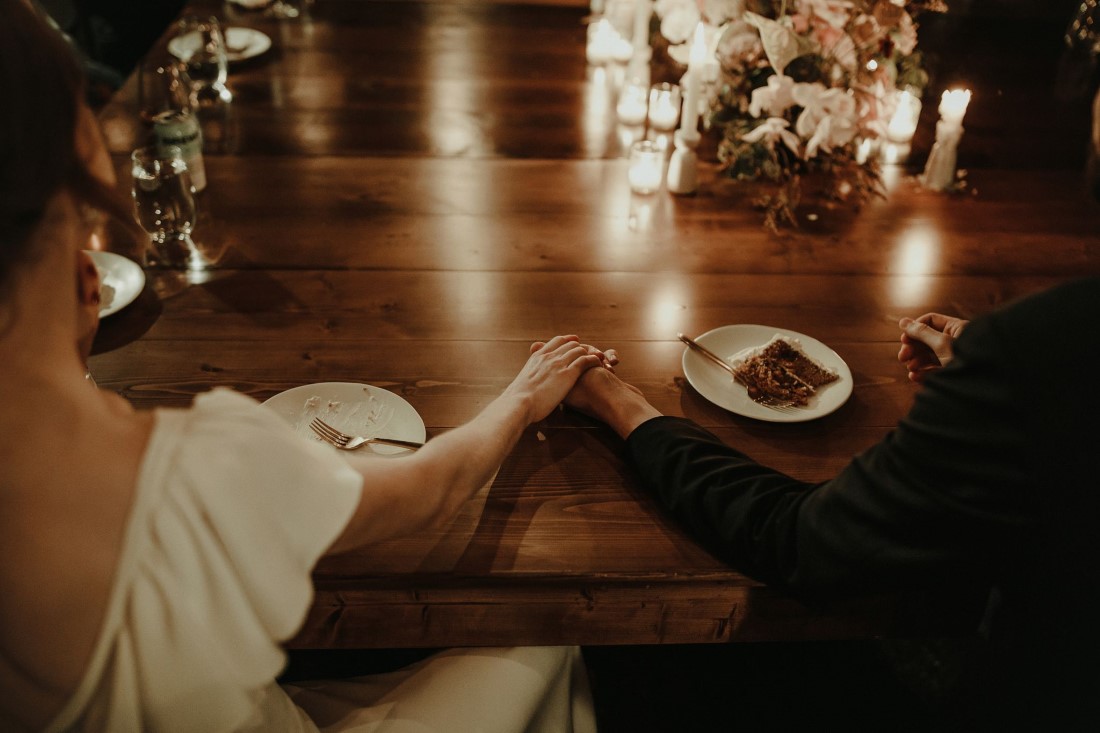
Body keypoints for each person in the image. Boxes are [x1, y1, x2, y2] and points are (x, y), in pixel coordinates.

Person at [0, 3, 601, 731]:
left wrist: (67, 343)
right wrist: (523, 398)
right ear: (74, 157)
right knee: (552, 638)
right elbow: (434, 490)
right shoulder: (191, 478)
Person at [564, 278, 1100, 730]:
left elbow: (799, 538)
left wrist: (626, 407)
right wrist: (996, 379)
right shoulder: (1049, 349)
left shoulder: (1041, 342)